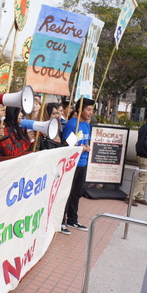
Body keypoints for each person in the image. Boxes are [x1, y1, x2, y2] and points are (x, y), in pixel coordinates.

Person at [60, 97, 95, 235]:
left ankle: (72, 219)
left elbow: (87, 141)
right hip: (72, 164)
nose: (91, 112)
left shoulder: (87, 125)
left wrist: (86, 147)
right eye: (88, 109)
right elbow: (66, 144)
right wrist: (78, 146)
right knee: (67, 194)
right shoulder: (72, 124)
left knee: (77, 194)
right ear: (80, 109)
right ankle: (61, 221)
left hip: (83, 163)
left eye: (92, 110)